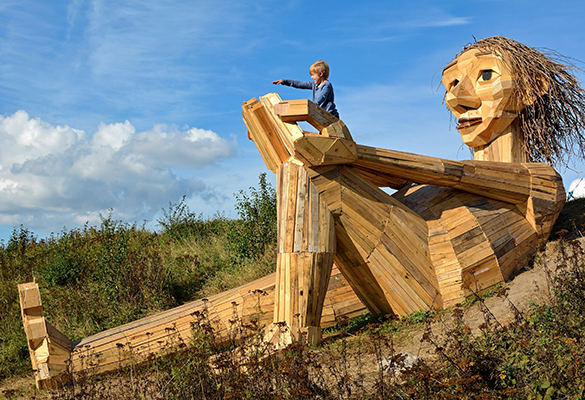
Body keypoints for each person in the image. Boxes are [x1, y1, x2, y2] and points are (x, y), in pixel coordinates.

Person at [273, 60, 339, 118]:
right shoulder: (314, 84)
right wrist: (284, 81)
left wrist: (312, 106)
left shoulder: (326, 85)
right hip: (321, 114)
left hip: (330, 115)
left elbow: (322, 97)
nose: (311, 77)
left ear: (321, 74)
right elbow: (300, 84)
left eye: (313, 75)